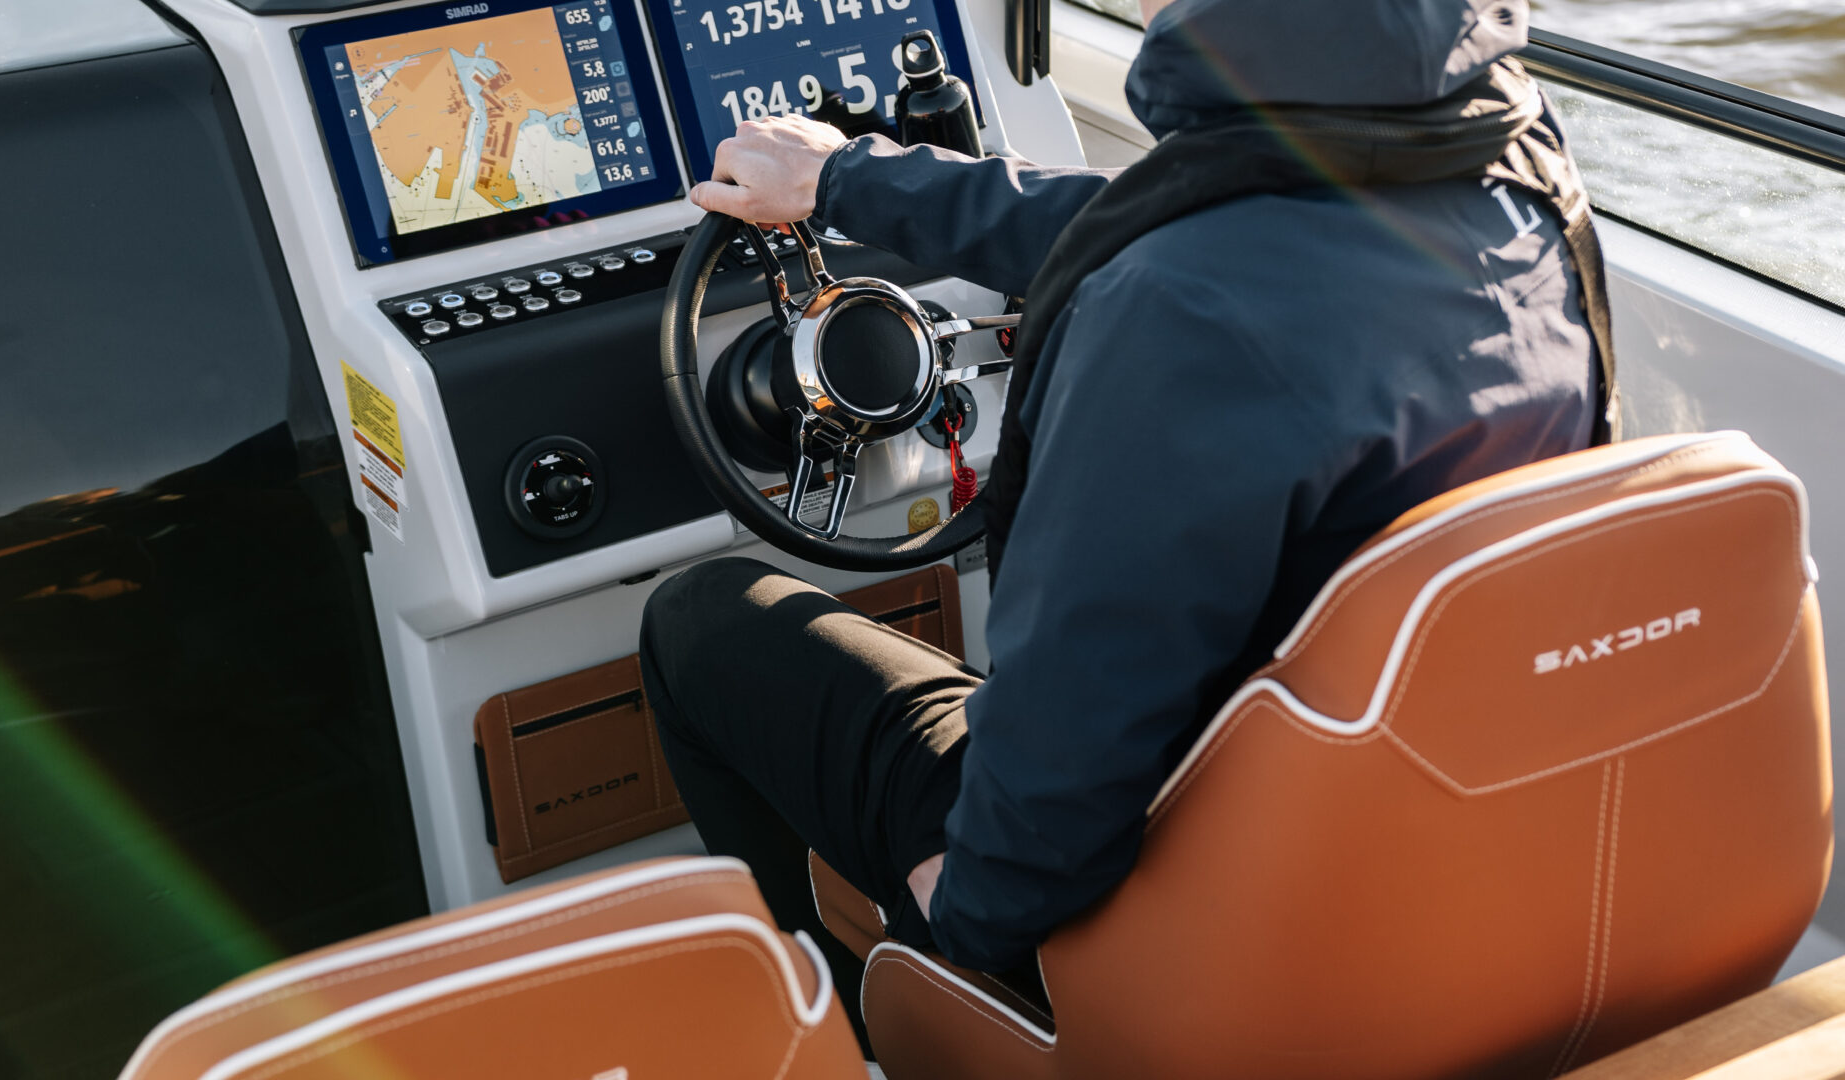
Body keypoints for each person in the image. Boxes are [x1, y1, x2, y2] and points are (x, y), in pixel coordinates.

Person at [639, 0, 1602, 1028]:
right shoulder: (1509, 155)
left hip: (1193, 922)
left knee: (700, 621)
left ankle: (842, 1035)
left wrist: (960, 920)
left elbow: (1063, 760)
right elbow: (1188, 222)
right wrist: (850, 180)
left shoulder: (1176, 312)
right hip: (1425, 837)